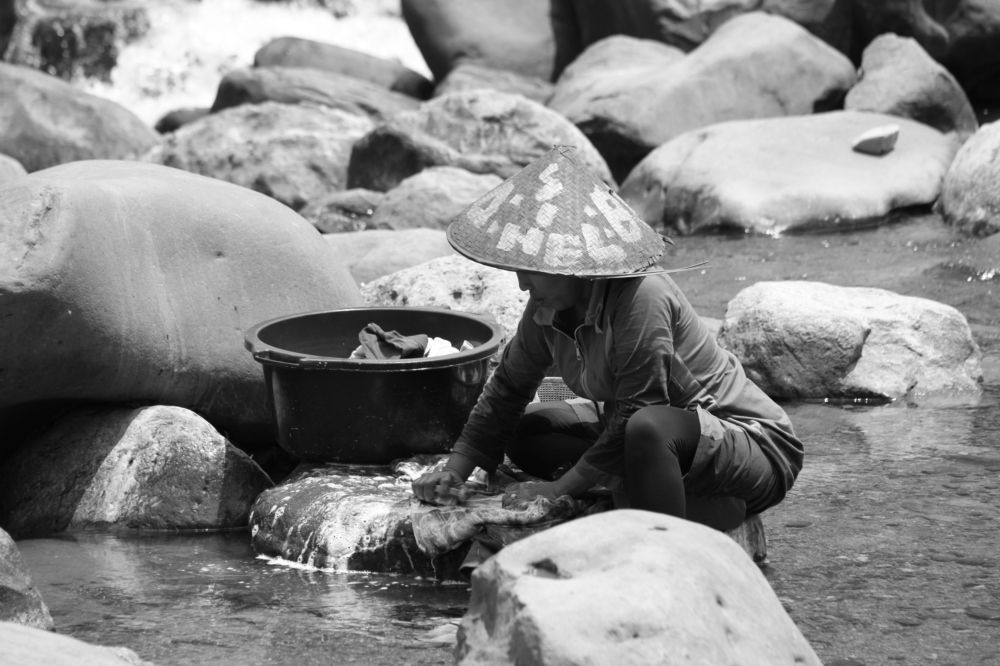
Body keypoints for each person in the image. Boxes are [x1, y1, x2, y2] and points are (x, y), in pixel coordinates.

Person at [411, 146, 803, 530]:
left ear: (573, 267)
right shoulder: (547, 305)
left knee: (647, 428)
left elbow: (639, 409)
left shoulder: (642, 296)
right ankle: (674, 497)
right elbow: (508, 389)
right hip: (641, 437)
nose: (521, 282)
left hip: (750, 445)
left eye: (531, 270)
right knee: (525, 429)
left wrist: (557, 490)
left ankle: (667, 541)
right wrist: (455, 471)